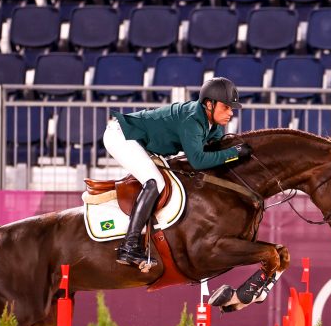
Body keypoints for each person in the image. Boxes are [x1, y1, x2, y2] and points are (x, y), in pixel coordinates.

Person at [104, 77, 253, 268]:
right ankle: (129, 247)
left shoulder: (212, 125)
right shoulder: (191, 119)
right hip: (122, 135)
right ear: (209, 104)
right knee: (154, 182)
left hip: (142, 143)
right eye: (227, 107)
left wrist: (236, 154)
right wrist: (235, 153)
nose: (231, 113)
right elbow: (198, 161)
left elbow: (213, 150)